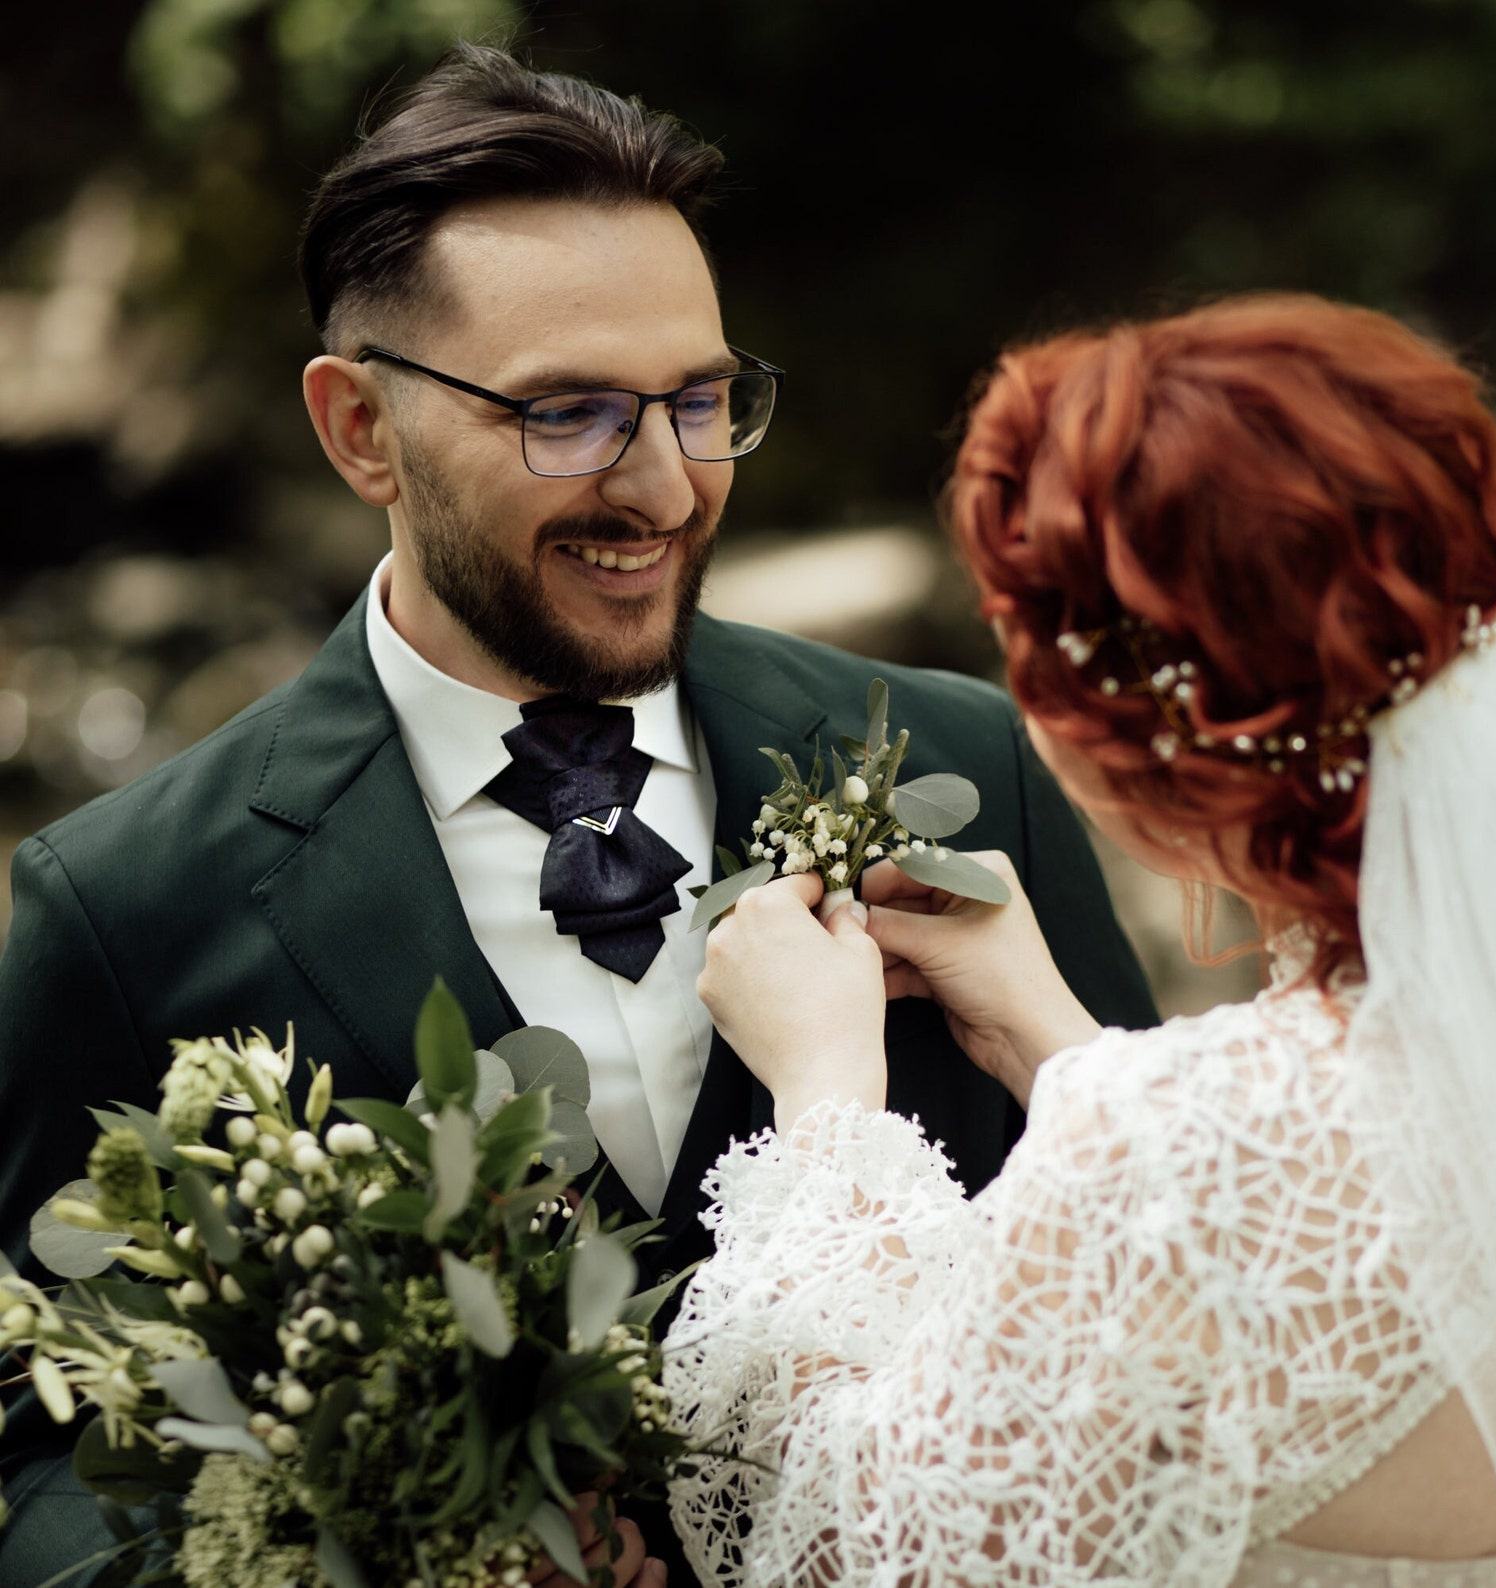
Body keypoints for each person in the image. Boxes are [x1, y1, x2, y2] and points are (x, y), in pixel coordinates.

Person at [0, 45, 1156, 1587]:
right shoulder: (122, 903)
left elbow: (1169, 1283)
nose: (670, 491)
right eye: (572, 417)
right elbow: (40, 1456)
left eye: (699, 400)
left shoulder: (963, 763)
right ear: (360, 432)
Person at [666, 294, 1496, 1586]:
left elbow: (843, 1546)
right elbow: (1317, 1241)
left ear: (1122, 731)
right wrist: (1058, 1044)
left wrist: (824, 1103)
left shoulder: (1179, 1158)